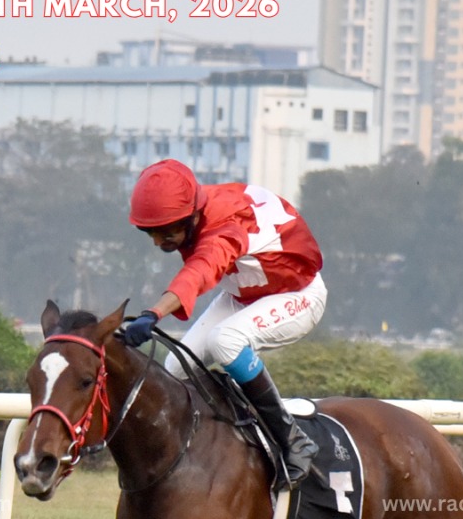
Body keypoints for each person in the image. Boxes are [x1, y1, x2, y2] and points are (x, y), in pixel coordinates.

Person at [113, 158, 326, 486]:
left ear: (193, 215)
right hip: (245, 292)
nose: (159, 241)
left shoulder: (223, 228)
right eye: (151, 232)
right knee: (175, 367)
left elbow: (197, 274)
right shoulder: (196, 203)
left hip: (299, 294)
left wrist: (153, 313)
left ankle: (293, 440)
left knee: (224, 341)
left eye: (167, 231)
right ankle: (211, 444)